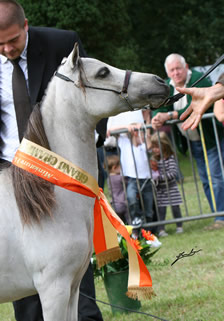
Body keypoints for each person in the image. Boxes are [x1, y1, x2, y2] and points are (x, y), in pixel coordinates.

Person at [0, 1, 105, 320]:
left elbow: (95, 93)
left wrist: (93, 139)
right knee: (25, 275)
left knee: (70, 265)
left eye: (13, 40)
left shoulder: (61, 44)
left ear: (26, 26)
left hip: (62, 175)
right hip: (11, 181)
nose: (6, 49)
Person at [151, 53, 224, 228]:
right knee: (205, 179)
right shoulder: (168, 87)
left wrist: (168, 115)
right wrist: (156, 117)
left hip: (211, 138)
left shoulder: (200, 79)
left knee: (216, 177)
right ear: (167, 73)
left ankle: (221, 217)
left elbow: (194, 103)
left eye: (178, 68)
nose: (176, 73)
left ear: (186, 67)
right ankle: (218, 214)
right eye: (172, 70)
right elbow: (160, 106)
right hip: (193, 141)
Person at [107, 110, 154, 234]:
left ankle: (149, 230)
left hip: (147, 177)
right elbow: (109, 130)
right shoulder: (124, 142)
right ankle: (136, 224)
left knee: (148, 204)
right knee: (131, 198)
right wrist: (127, 127)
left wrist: (145, 124)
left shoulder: (143, 143)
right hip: (132, 177)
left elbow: (149, 145)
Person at [150, 132, 183, 237]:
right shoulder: (154, 159)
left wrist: (159, 177)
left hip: (171, 188)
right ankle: (161, 229)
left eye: (157, 147)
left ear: (164, 146)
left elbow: (173, 173)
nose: (155, 150)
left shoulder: (170, 158)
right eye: (153, 147)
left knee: (175, 208)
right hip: (160, 189)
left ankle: (179, 226)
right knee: (161, 210)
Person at [107, 154, 131, 224]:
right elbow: (128, 182)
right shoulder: (120, 178)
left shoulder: (108, 179)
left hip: (114, 204)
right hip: (123, 203)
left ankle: (119, 234)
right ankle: (133, 233)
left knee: (119, 223)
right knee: (130, 221)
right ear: (114, 167)